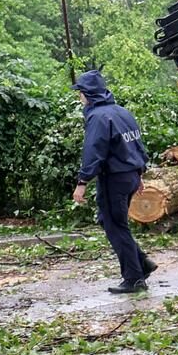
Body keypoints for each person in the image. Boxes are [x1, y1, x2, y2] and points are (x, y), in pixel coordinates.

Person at [70, 70, 154, 294]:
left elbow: (93, 151)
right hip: (130, 176)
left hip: (114, 178)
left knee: (116, 227)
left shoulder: (98, 117)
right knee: (108, 221)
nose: (79, 97)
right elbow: (137, 145)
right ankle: (142, 262)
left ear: (88, 94)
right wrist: (139, 173)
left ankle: (134, 278)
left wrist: (82, 182)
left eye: (80, 92)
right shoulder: (122, 112)